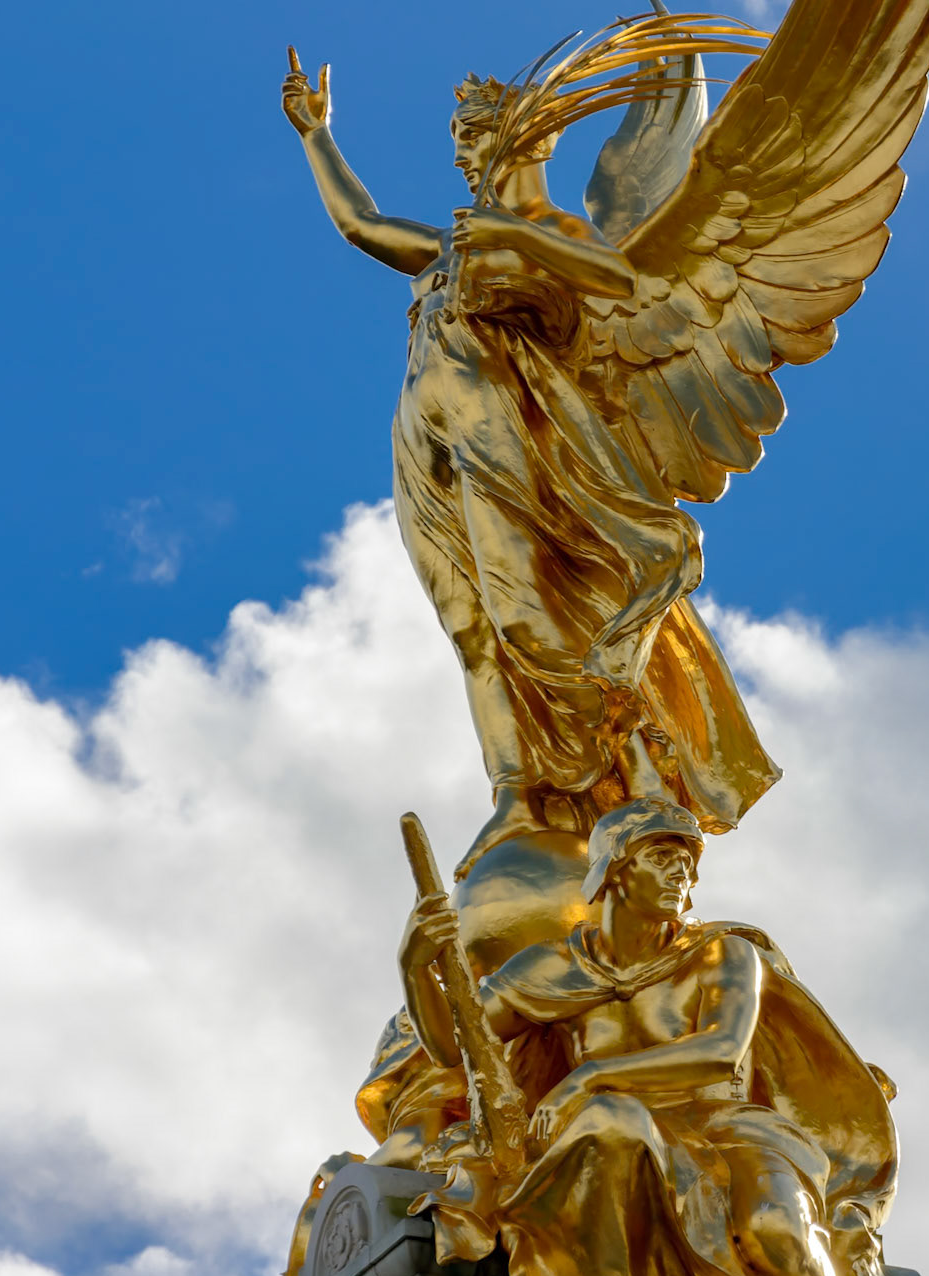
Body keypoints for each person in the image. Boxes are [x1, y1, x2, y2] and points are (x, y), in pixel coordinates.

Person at [282, 56, 778, 875]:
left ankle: (628, 768)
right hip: (424, 449)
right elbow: (362, 226)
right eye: (457, 139)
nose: (460, 154)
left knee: (527, 623)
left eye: (474, 134)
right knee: (472, 631)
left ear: (530, 138)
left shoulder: (559, 235)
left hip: (510, 447)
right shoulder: (448, 242)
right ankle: (514, 796)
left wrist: (514, 235)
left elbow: (621, 279)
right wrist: (316, 134)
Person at [395, 798, 902, 1276]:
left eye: (688, 865)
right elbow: (456, 1044)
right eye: (661, 858)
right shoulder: (555, 968)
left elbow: (720, 1055)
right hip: (623, 1132)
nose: (680, 877)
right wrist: (416, 967)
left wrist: (591, 1075)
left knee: (775, 1227)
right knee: (612, 1127)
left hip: (727, 1129)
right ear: (613, 868)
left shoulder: (721, 955)